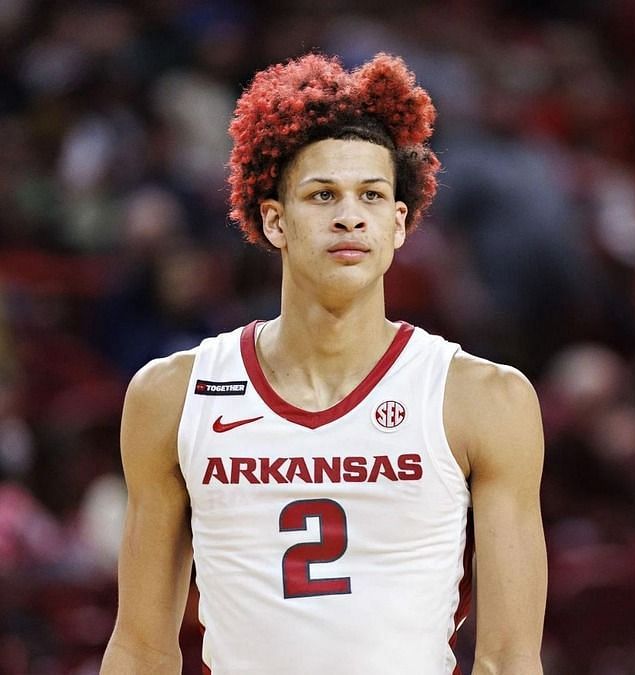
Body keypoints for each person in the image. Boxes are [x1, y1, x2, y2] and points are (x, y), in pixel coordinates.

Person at [99, 53, 546, 674]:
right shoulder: (173, 395)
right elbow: (143, 648)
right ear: (273, 220)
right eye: (322, 195)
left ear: (398, 223)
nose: (349, 215)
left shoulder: (484, 398)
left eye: (371, 195)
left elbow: (508, 660)